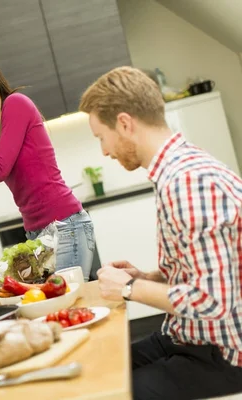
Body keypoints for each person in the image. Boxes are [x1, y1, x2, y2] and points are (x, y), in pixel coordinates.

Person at [79, 66, 242, 399]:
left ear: (124, 123)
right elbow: (199, 274)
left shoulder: (187, 183)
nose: (104, 151)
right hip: (189, 336)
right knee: (96, 371)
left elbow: (212, 301)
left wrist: (130, 288)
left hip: (225, 355)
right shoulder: (182, 169)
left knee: (109, 393)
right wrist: (147, 277)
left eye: (101, 137)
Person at [0, 56, 97, 280]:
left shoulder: (16, 104)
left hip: (65, 223)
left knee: (67, 302)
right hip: (35, 232)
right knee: (51, 308)